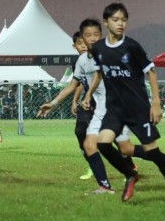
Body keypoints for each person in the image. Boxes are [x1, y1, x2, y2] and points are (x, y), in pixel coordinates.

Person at [84, 2, 165, 205]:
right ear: (106, 22)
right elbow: (99, 73)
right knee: (103, 144)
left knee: (152, 152)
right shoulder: (99, 49)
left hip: (138, 108)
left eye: (124, 20)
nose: (120, 24)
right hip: (115, 108)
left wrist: (156, 103)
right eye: (116, 20)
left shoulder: (131, 46)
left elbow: (151, 71)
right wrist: (88, 94)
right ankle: (130, 174)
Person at [38, 22, 145, 195]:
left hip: (117, 106)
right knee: (91, 144)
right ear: (81, 40)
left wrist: (87, 96)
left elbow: (99, 75)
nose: (92, 39)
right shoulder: (81, 60)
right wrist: (53, 102)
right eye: (87, 36)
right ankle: (106, 185)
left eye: (96, 34)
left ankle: (161, 161)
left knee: (123, 148)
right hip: (101, 108)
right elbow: (74, 84)